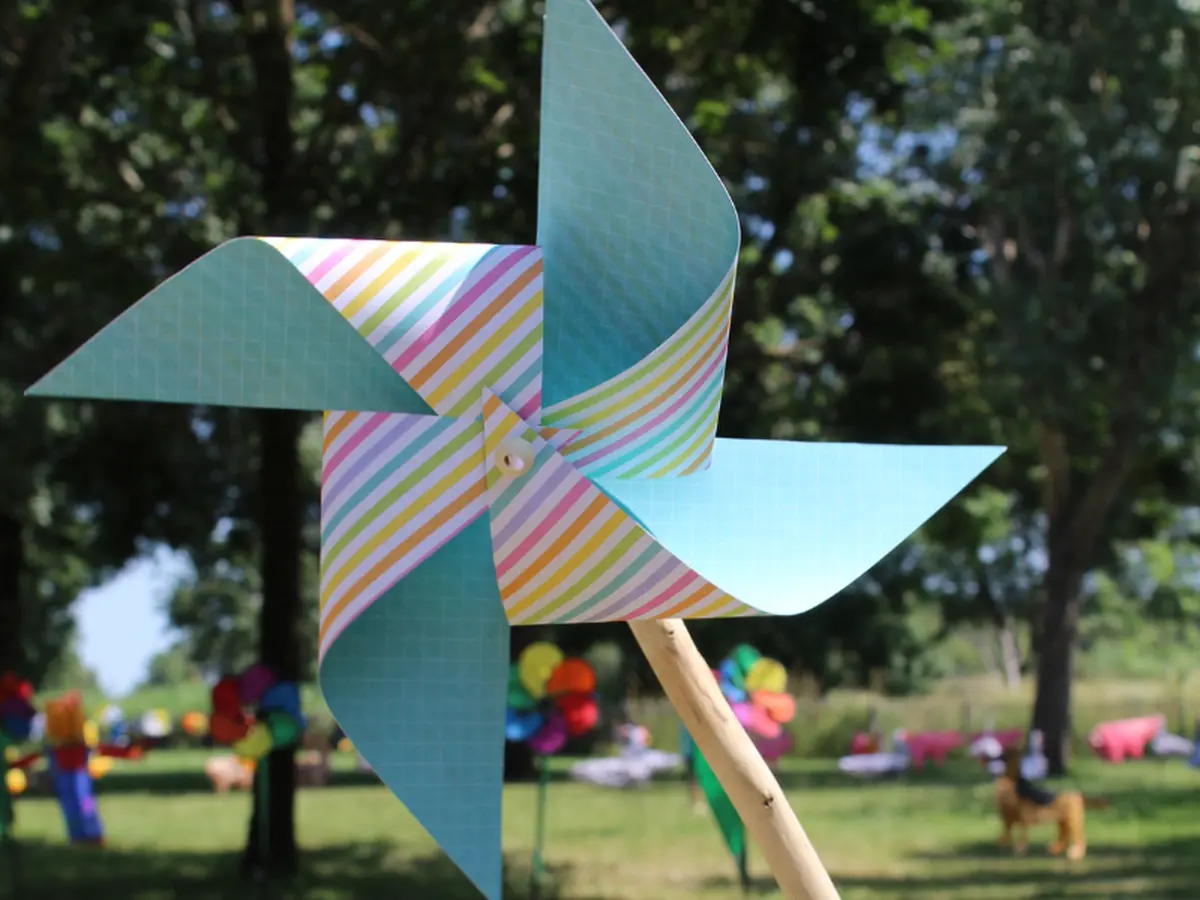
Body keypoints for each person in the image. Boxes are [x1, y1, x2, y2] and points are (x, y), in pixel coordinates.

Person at [678, 723, 705, 814]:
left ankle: (698, 801)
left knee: (697, 778)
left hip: (693, 752)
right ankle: (695, 801)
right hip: (691, 753)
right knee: (694, 778)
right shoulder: (688, 724)